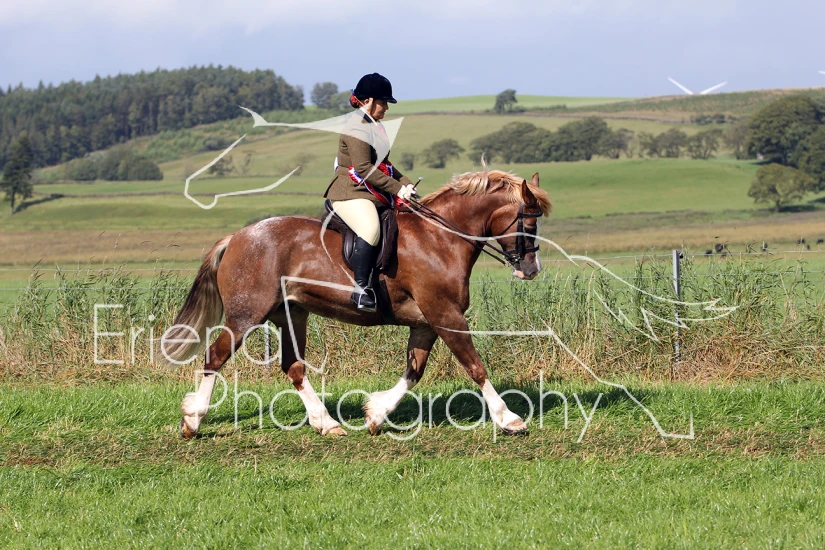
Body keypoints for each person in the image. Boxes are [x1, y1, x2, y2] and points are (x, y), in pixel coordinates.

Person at [324, 73, 417, 312]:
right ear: (368, 101)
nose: (386, 107)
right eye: (383, 102)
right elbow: (364, 168)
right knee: (370, 228)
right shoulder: (356, 127)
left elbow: (384, 164)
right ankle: (361, 290)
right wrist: (397, 189)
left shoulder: (375, 126)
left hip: (370, 191)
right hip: (349, 192)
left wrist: (406, 184)